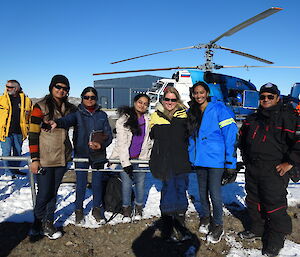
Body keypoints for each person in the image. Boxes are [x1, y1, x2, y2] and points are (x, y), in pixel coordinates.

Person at [238, 83, 300, 256]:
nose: (266, 99)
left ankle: (276, 239)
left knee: (274, 205)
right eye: (263, 97)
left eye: (270, 97)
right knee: (253, 201)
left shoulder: (288, 117)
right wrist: (246, 159)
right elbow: (242, 140)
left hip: (275, 169)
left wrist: (291, 163)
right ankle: (257, 229)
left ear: (277, 98)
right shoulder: (253, 118)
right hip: (253, 167)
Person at [50, 87, 112, 225]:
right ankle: (78, 209)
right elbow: (66, 120)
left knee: (97, 183)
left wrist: (101, 144)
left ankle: (97, 208)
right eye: (86, 97)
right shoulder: (77, 114)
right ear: (82, 98)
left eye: (92, 97)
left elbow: (109, 135)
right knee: (81, 183)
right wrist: (57, 122)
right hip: (81, 154)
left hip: (98, 154)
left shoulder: (102, 115)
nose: (89, 100)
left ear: (96, 99)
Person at [187, 81, 238, 244]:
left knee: (215, 194)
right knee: (202, 192)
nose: (199, 95)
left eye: (202, 92)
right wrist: (191, 157)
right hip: (199, 159)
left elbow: (230, 134)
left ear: (207, 93)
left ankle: (218, 225)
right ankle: (205, 218)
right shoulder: (192, 111)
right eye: (196, 93)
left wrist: (230, 162)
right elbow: (191, 137)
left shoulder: (219, 109)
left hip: (216, 159)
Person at [29, 75, 76, 239]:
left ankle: (48, 222)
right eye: (58, 87)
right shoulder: (40, 107)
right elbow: (33, 134)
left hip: (62, 157)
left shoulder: (69, 109)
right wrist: (35, 159)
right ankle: (37, 222)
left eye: (65, 88)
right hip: (45, 158)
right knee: (44, 193)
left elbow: (81, 119)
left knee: (53, 193)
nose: (61, 90)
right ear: (51, 87)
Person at [149, 87, 191, 242]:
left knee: (181, 187)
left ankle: (180, 219)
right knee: (167, 188)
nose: (170, 103)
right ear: (163, 100)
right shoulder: (156, 116)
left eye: (173, 100)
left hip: (181, 159)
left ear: (177, 101)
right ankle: (167, 220)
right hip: (164, 160)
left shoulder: (184, 116)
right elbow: (151, 136)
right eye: (167, 99)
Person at [110, 93, 152, 222]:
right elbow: (122, 144)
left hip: (141, 158)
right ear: (134, 102)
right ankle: (126, 210)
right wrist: (125, 163)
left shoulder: (148, 120)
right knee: (127, 185)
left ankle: (138, 207)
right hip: (127, 158)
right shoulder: (124, 120)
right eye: (140, 102)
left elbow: (150, 140)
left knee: (140, 184)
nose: (142, 105)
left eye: (145, 103)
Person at [0, 80, 32, 178]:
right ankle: (8, 173)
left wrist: (29, 129)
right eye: (6, 87)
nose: (7, 89)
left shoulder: (26, 101)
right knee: (6, 152)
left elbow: (30, 116)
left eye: (10, 87)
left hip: (19, 131)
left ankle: (15, 170)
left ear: (16, 88)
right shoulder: (2, 99)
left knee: (17, 152)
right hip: (5, 131)